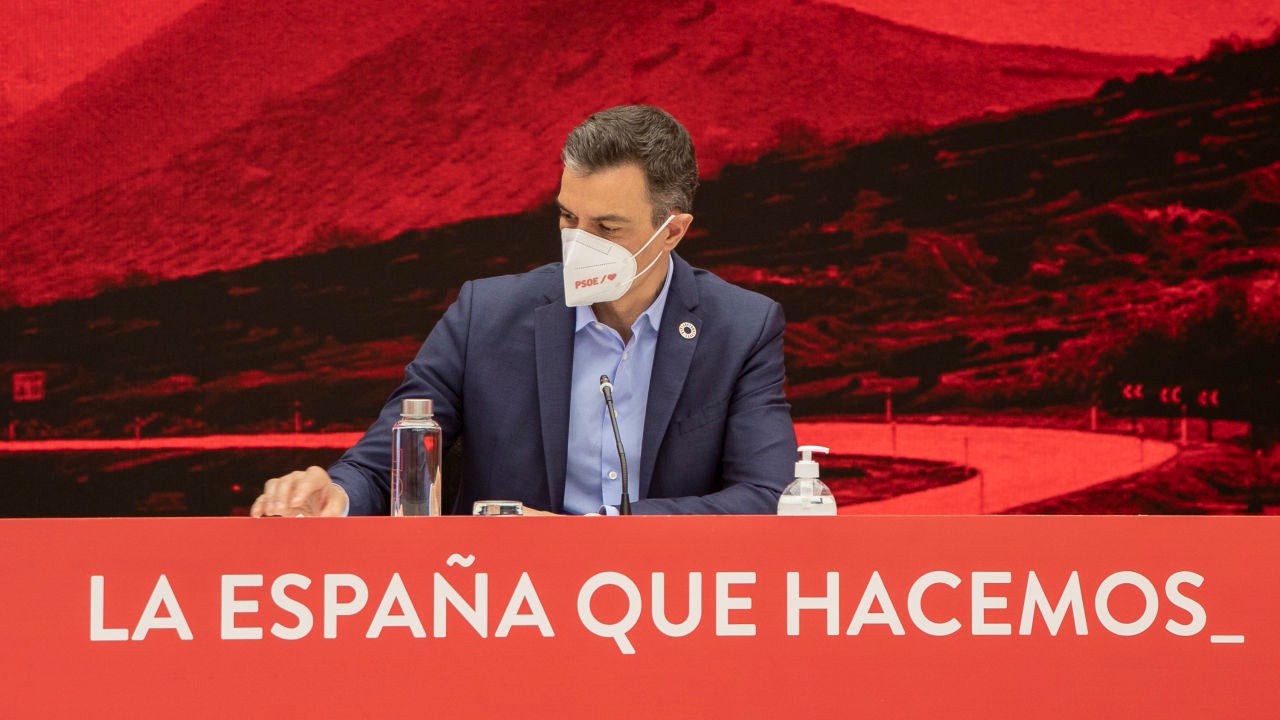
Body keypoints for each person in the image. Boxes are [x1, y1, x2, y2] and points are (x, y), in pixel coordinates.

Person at [251, 105, 797, 517]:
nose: (580, 242)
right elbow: (388, 463)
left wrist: (599, 532)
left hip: (664, 599)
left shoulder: (742, 327)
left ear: (672, 231)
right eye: (568, 218)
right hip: (505, 601)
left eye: (606, 228)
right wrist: (336, 493)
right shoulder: (485, 315)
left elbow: (768, 495)